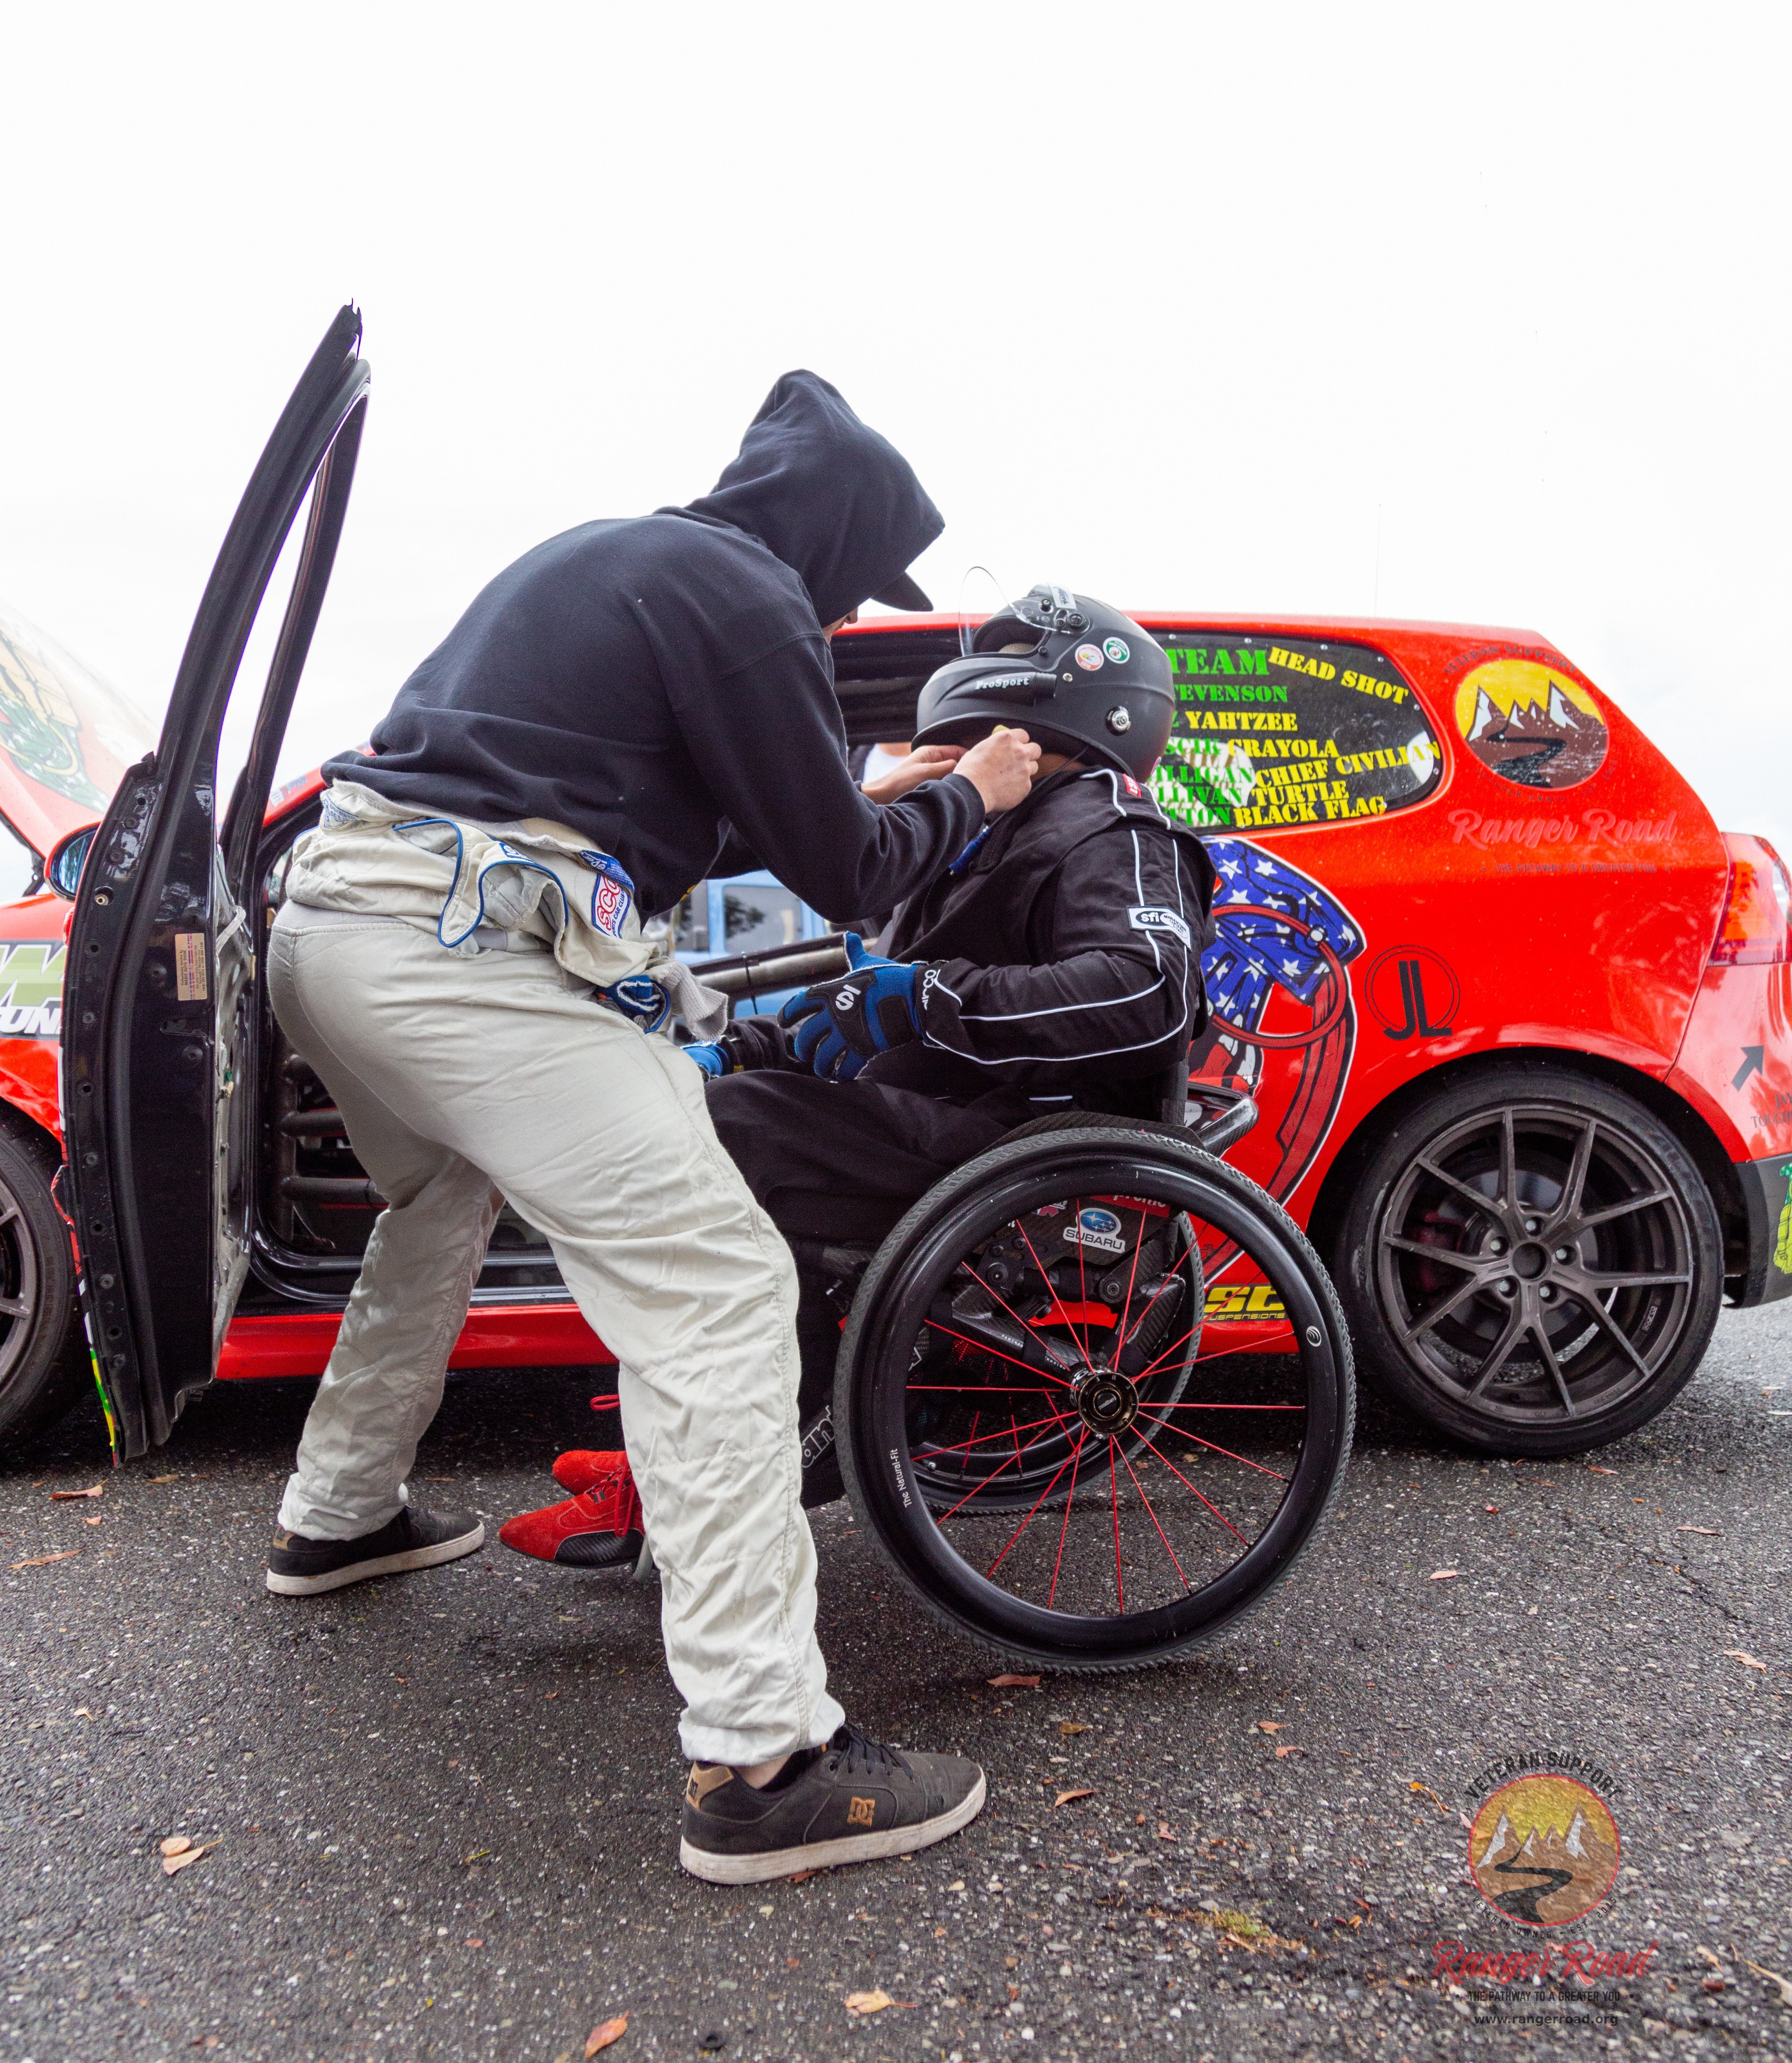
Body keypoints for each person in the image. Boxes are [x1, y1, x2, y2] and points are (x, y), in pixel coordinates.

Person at [261, 371, 1042, 1884]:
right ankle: (767, 1757)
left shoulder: (614, 558)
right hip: (460, 954)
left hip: (334, 926)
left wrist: (869, 788)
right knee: (722, 1291)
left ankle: (336, 1515)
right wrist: (979, 795)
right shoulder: (746, 595)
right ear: (828, 534)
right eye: (853, 576)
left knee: (434, 1210)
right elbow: (851, 877)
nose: (836, 609)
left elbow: (698, 809)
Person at [501, 585, 1217, 1561]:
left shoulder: (1114, 831)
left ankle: (698, 1479)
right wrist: (752, 1044)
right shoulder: (991, 839)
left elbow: (1144, 992)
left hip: (1035, 1139)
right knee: (711, 1100)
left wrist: (925, 997)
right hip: (957, 1116)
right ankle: (686, 1453)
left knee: (737, 1134)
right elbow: (870, 1007)